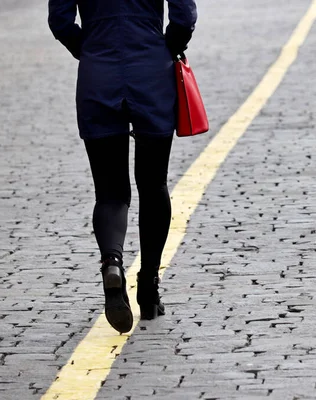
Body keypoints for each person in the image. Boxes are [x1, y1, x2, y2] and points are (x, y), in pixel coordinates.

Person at [48, 0, 197, 333]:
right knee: (154, 184)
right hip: (151, 73)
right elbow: (183, 17)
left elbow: (60, 20)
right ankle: (148, 286)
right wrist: (165, 47)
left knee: (111, 193)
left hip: (98, 74)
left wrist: (89, 50)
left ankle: (112, 262)